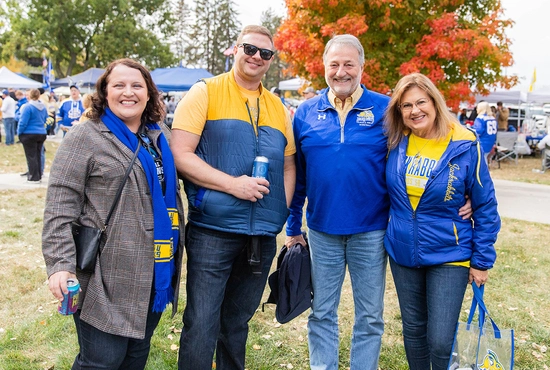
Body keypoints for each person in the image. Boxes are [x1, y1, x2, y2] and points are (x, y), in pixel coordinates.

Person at [42, 58, 185, 369]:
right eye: (118, 85)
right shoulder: (86, 136)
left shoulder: (159, 135)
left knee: (135, 358)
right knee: (101, 362)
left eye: (137, 85)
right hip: (106, 276)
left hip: (155, 271)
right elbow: (59, 206)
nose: (128, 92)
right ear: (104, 93)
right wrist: (59, 265)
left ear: (149, 93)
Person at [170, 25, 296, 370]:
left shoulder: (278, 108)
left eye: (265, 53)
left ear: (271, 61)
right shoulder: (205, 92)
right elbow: (181, 154)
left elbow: (288, 167)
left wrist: (279, 212)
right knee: (201, 323)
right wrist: (231, 185)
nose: (256, 57)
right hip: (213, 230)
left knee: (237, 325)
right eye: (250, 49)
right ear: (235, 49)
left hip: (260, 237)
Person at [285, 34, 390, 370]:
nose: (341, 72)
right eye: (334, 64)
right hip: (321, 231)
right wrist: (292, 227)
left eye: (349, 64)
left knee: (370, 317)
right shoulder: (305, 112)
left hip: (372, 231)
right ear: (324, 68)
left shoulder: (386, 109)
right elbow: (298, 176)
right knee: (322, 313)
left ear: (362, 67)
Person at [383, 72, 500, 370]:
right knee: (413, 331)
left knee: (440, 338)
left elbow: (485, 204)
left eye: (421, 102)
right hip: (403, 251)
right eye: (406, 106)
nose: (414, 111)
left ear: (435, 102)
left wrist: (482, 260)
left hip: (450, 253)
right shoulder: (396, 142)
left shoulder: (464, 143)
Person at [17, 88, 48, 183]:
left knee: (31, 156)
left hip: (29, 133)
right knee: (38, 155)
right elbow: (45, 119)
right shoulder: (43, 107)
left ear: (30, 96)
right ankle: (39, 175)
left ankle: (33, 177)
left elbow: (23, 122)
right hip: (41, 133)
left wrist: (19, 132)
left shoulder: (27, 107)